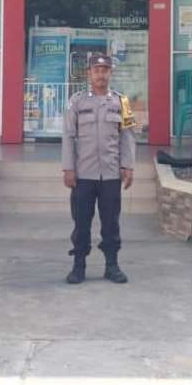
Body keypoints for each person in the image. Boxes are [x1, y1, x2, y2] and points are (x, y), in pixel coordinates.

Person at [62, 53, 136, 284]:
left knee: (111, 223)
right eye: (96, 70)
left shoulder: (122, 102)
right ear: (89, 73)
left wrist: (128, 166)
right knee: (81, 223)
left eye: (105, 70)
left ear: (110, 73)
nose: (100, 75)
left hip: (111, 174)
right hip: (83, 174)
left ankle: (112, 266)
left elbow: (128, 136)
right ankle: (79, 266)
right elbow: (68, 136)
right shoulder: (76, 102)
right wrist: (68, 168)